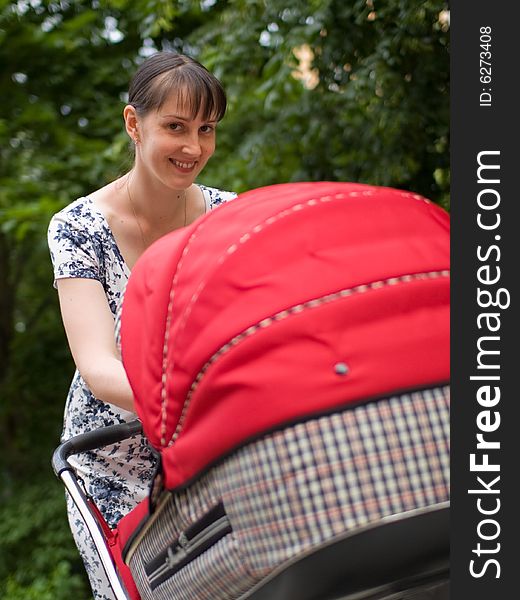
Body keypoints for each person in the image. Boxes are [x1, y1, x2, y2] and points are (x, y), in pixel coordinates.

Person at [47, 52, 236, 599]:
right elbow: (99, 365)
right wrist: (182, 400)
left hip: (205, 451)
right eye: (175, 127)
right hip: (112, 456)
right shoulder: (80, 228)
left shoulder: (227, 219)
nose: (194, 148)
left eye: (206, 130)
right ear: (134, 124)